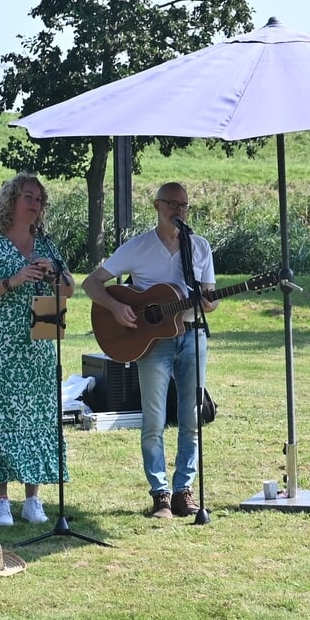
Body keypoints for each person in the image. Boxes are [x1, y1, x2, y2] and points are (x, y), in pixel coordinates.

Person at [84, 182, 217, 519]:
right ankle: (160, 494)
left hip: (192, 335)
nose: (179, 210)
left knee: (191, 417)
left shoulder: (198, 247)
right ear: (157, 206)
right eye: (172, 204)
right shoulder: (139, 247)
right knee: (154, 419)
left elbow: (208, 299)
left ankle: (184, 491)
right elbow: (92, 283)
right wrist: (115, 308)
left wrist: (207, 302)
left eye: (184, 205)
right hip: (151, 341)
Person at [0, 174, 76, 527]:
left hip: (38, 345)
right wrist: (13, 280)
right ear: (10, 200)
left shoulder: (47, 246)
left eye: (40, 199)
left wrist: (53, 275)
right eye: (28, 196)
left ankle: (33, 500)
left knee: (37, 419)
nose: (35, 203)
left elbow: (70, 289)